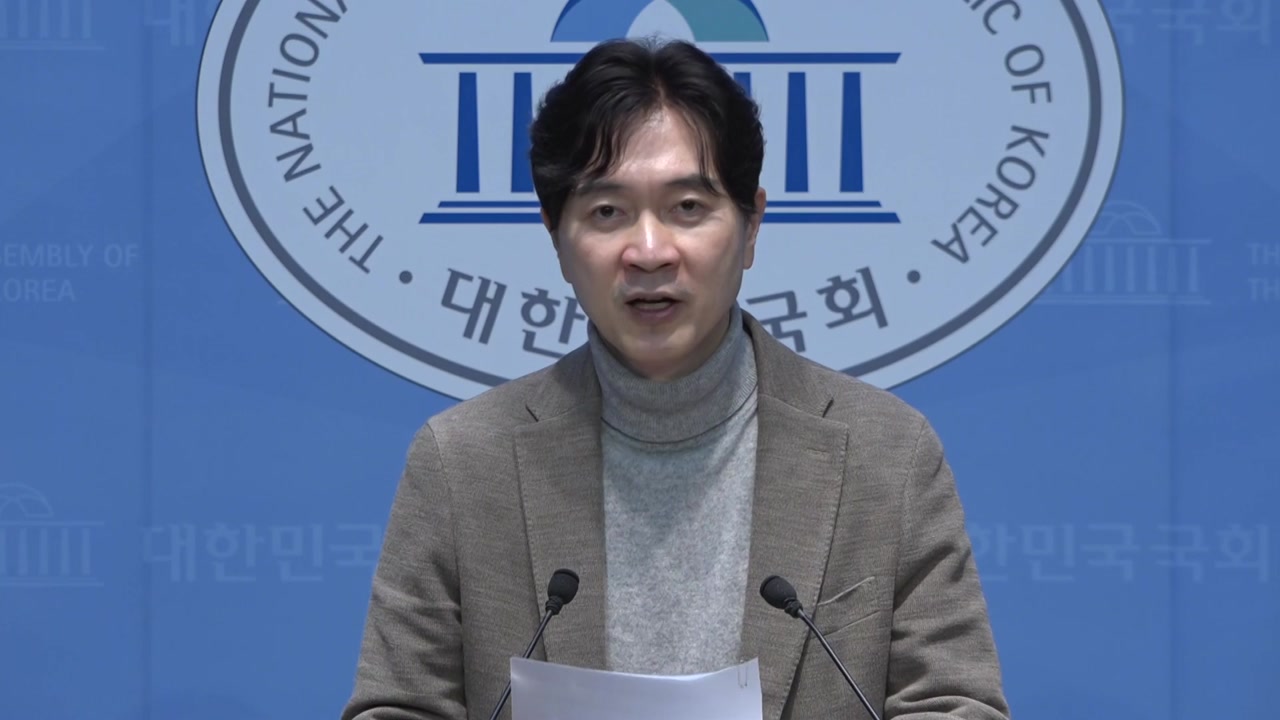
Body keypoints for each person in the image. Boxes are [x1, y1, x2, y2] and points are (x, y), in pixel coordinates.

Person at [341, 37, 1010, 720]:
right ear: (555, 235)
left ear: (752, 226)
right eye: (607, 212)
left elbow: (955, 704)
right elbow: (398, 708)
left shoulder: (887, 455)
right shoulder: (462, 464)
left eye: (688, 207)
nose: (650, 251)